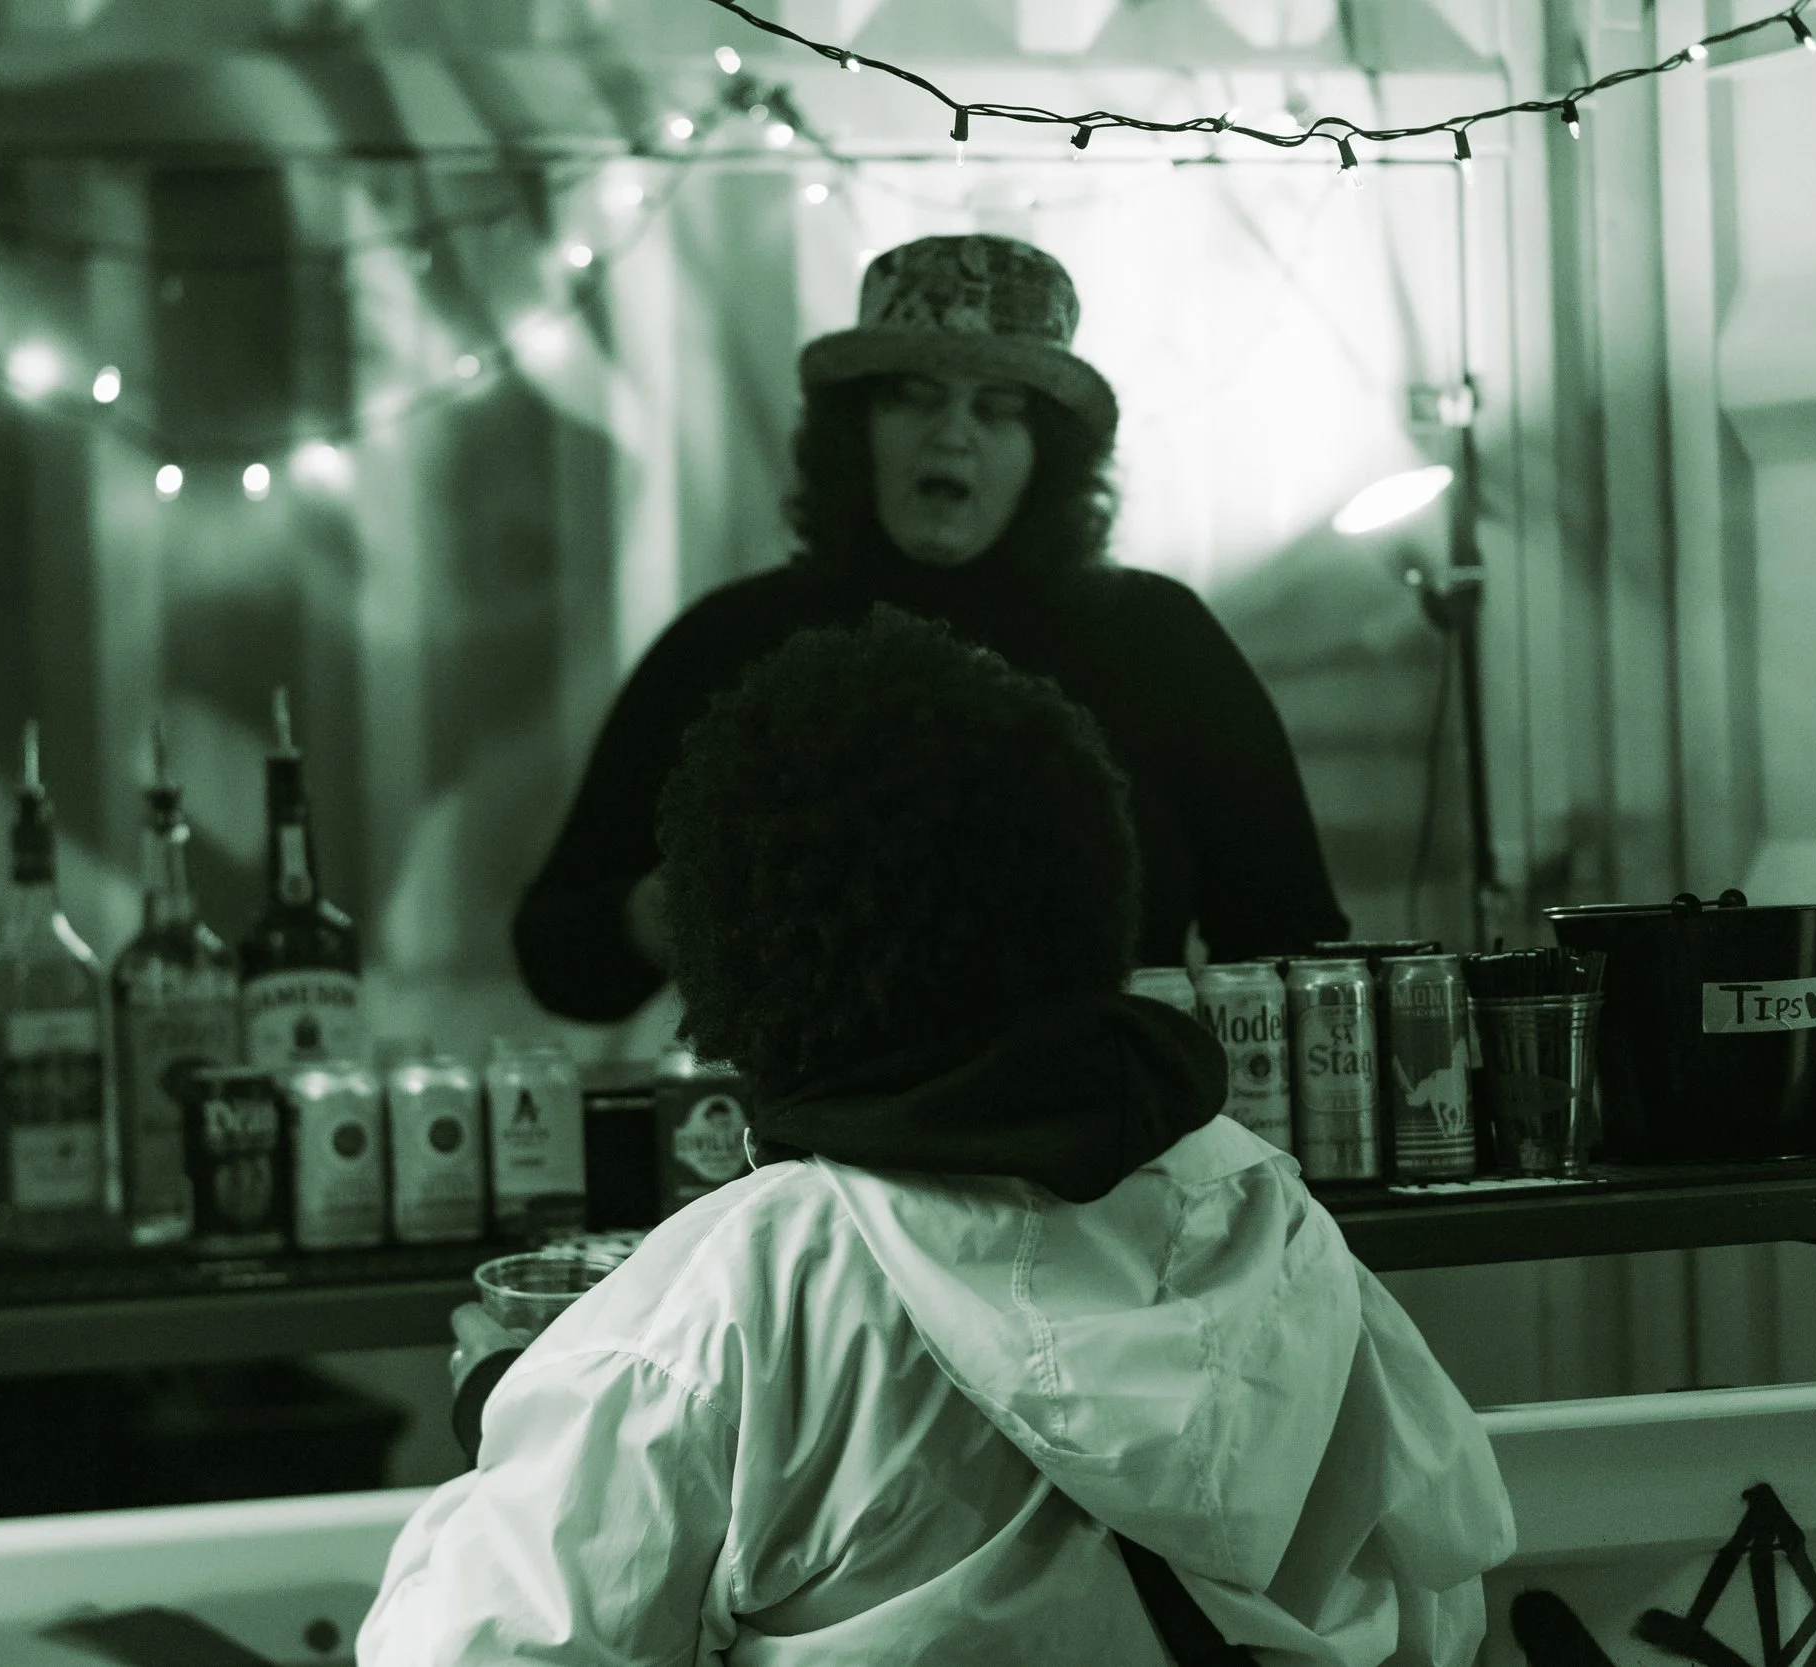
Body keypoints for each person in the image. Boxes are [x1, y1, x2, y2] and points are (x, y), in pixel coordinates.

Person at [361, 609, 1512, 1666]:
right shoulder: (1266, 1212)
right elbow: (1433, 1600)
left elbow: (474, 1647)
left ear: (735, 940)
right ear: (1087, 885)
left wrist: (509, 1405)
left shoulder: (736, 1297)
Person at [514, 233, 1351, 1025]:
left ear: (1049, 453)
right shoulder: (732, 642)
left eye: (998, 408)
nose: (952, 433)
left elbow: (1291, 941)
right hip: (825, 1126)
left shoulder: (1158, 639)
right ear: (855, 431)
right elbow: (561, 957)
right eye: (914, 397)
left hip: (1107, 1120)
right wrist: (689, 902)